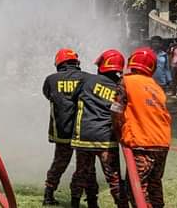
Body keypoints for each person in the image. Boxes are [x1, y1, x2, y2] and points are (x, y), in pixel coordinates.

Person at [112, 47, 172, 208]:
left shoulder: (126, 81)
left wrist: (117, 131)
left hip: (141, 143)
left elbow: (116, 109)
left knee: (136, 188)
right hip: (162, 143)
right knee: (154, 185)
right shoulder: (156, 87)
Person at [69, 50, 128, 208]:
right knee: (113, 177)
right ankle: (122, 205)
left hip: (84, 137)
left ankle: (75, 203)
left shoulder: (87, 81)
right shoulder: (121, 87)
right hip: (107, 139)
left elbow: (73, 99)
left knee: (82, 173)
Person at [42, 48, 89, 206]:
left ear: (59, 62)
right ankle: (76, 199)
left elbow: (48, 95)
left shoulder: (51, 79)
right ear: (76, 62)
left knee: (59, 163)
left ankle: (48, 194)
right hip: (82, 130)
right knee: (84, 166)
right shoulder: (87, 78)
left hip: (61, 130)